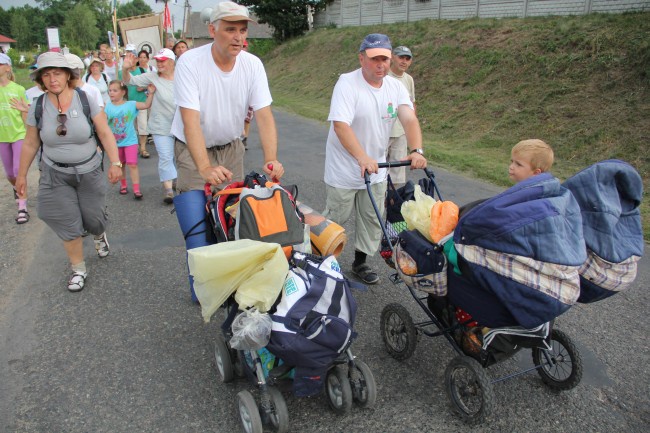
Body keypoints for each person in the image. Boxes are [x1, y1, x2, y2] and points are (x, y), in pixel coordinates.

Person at [323, 33, 427, 285]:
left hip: (377, 167)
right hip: (345, 167)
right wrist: (361, 157)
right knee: (337, 216)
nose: (381, 64)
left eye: (385, 59)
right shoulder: (347, 84)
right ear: (362, 58)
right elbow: (340, 125)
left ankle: (360, 262)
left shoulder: (395, 86)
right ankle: (324, 261)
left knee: (372, 218)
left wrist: (417, 150)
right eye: (374, 59)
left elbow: (409, 118)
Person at [15, 52, 122, 292]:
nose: (52, 79)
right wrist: (21, 175)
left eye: (57, 73)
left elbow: (104, 132)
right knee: (67, 220)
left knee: (93, 218)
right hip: (54, 172)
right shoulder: (38, 106)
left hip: (89, 169)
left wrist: (116, 163)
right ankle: (78, 269)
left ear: (67, 76)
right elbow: (31, 142)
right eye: (47, 74)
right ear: (41, 79)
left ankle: (98, 234)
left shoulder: (85, 100)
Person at [171, 1, 284, 194]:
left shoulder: (253, 65)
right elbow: (190, 121)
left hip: (231, 149)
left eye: (242, 30)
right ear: (212, 30)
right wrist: (205, 168)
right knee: (196, 220)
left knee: (233, 217)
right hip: (194, 150)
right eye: (230, 29)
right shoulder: (190, 62)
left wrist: (270, 159)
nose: (238, 37)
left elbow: (264, 115)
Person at [122, 48, 177, 204]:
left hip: (181, 126)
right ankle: (168, 189)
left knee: (179, 158)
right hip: (160, 126)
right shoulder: (152, 77)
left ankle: (174, 179)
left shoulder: (183, 76)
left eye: (163, 60)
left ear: (172, 62)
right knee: (166, 156)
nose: (159, 63)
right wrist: (125, 69)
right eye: (158, 60)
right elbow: (129, 81)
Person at [105, 80, 155, 199]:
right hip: (115, 143)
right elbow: (103, 126)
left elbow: (146, 105)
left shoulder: (131, 104)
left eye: (115, 90)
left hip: (130, 141)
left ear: (123, 92)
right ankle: (123, 185)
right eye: (110, 90)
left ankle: (137, 189)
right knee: (120, 164)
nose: (111, 93)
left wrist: (151, 94)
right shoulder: (107, 107)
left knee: (132, 164)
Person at [0, 52, 30, 224]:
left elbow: (25, 113)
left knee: (19, 171)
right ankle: (16, 188)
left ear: (8, 67)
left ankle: (22, 207)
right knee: (10, 173)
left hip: (18, 134)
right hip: (2, 136)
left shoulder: (18, 89)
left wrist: (30, 134)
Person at [387, 45, 415, 187]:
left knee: (397, 174)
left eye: (407, 59)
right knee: (378, 171)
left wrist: (412, 130)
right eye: (401, 57)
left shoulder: (408, 79)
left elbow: (412, 104)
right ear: (392, 57)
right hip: (383, 131)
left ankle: (391, 202)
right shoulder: (384, 76)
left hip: (401, 133)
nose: (404, 61)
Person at [120, 45, 151, 158]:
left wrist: (143, 87)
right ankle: (134, 146)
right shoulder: (121, 72)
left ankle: (143, 148)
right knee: (131, 127)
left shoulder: (142, 70)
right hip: (128, 104)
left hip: (141, 102)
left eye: (132, 57)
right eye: (127, 57)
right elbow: (119, 86)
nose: (129, 60)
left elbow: (150, 85)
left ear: (136, 59)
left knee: (143, 126)